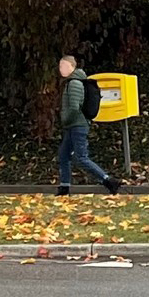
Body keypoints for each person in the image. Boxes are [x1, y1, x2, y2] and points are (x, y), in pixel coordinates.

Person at [55, 56, 122, 196]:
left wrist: (65, 119)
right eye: (60, 66)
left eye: (64, 66)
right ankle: (64, 187)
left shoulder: (74, 83)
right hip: (73, 125)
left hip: (77, 125)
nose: (61, 69)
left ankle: (109, 181)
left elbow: (74, 107)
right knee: (64, 155)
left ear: (72, 67)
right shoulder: (73, 82)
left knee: (81, 157)